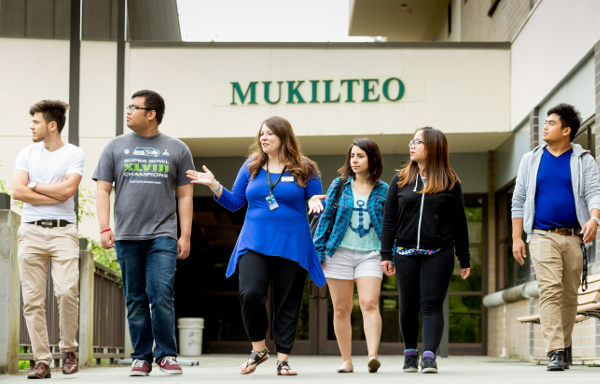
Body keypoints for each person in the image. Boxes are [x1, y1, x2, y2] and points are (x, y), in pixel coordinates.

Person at [186, 116, 326, 376]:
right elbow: (235, 202)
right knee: (250, 293)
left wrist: (317, 203)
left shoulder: (306, 168)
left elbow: (317, 201)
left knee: (287, 302)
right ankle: (259, 349)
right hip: (254, 242)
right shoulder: (251, 166)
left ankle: (283, 359)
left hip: (292, 243)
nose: (264, 138)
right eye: (262, 133)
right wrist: (214, 186)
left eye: (270, 134)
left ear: (284, 137)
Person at [93, 90, 194, 376]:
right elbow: (103, 188)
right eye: (129, 106)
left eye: (134, 107)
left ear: (152, 114)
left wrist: (184, 235)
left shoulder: (177, 148)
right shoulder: (115, 146)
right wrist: (104, 226)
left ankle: (166, 354)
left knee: (161, 293)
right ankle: (141, 356)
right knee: (135, 298)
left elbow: (185, 196)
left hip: (163, 234)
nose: (128, 111)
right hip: (127, 235)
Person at [512, 103, 600, 371]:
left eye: (551, 123)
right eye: (546, 122)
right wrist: (517, 237)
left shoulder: (583, 159)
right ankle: (556, 351)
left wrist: (594, 219)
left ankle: (563, 344)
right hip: (541, 235)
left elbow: (594, 192)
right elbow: (518, 200)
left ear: (566, 130)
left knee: (569, 295)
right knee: (550, 290)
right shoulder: (531, 159)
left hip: (574, 236)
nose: (545, 126)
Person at [380, 127, 470, 374]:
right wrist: (385, 254)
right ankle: (410, 353)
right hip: (405, 252)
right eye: (412, 141)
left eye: (417, 142)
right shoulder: (400, 180)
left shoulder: (450, 182)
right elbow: (389, 220)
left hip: (438, 252)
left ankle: (429, 355)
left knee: (431, 304)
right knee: (408, 305)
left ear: (432, 148)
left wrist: (464, 258)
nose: (412, 145)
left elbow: (460, 222)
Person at [12, 100, 84, 379]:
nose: (32, 126)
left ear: (52, 125)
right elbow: (17, 191)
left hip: (64, 231)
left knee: (67, 292)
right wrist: (52, 193)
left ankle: (68, 350)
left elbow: (68, 190)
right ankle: (42, 360)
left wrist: (35, 185)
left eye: (36, 122)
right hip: (30, 231)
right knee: (32, 300)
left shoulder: (73, 153)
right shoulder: (26, 153)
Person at [313, 138, 388, 373]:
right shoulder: (339, 185)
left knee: (369, 302)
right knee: (342, 308)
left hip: (372, 254)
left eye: (360, 156)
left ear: (372, 159)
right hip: (339, 253)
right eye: (352, 156)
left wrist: (390, 254)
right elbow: (325, 220)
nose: (354, 160)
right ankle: (346, 360)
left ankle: (372, 356)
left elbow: (391, 225)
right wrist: (319, 250)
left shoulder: (384, 189)